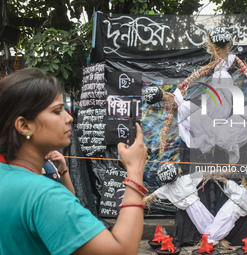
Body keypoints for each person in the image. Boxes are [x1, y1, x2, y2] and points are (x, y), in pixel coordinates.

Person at [0, 68, 148, 255]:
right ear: (24, 126)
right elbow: (122, 251)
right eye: (57, 111)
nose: (69, 118)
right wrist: (135, 170)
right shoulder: (44, 195)